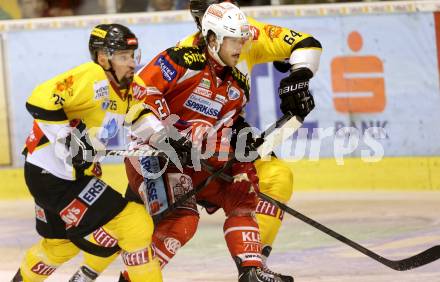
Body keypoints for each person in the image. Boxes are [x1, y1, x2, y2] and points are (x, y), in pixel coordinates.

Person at [73, 0, 320, 281]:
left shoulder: (238, 80)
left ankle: (252, 270)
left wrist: (251, 134)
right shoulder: (181, 59)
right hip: (155, 156)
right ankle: (113, 274)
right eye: (232, 40)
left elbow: (230, 122)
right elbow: (140, 98)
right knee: (179, 221)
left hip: (196, 157)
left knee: (244, 185)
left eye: (242, 40)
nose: (240, 47)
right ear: (211, 37)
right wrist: (165, 138)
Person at [12, 24, 162, 282]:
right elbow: (39, 100)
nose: (132, 64)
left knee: (60, 246)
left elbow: (138, 116)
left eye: (133, 56)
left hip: (53, 175)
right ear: (103, 58)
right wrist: (69, 143)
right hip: (54, 177)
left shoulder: (130, 86)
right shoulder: (92, 76)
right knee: (134, 224)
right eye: (124, 57)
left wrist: (166, 139)